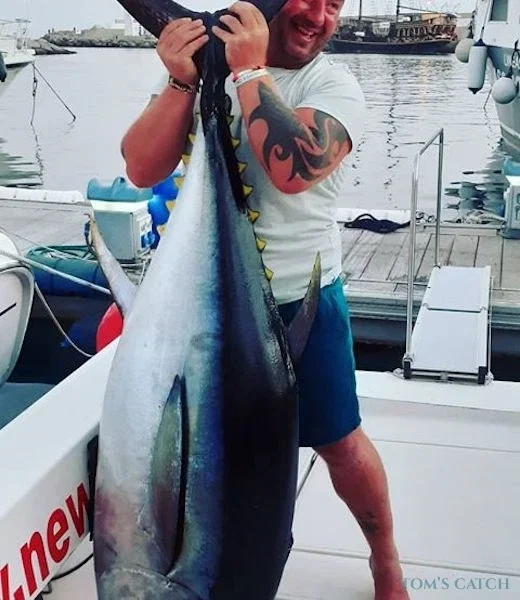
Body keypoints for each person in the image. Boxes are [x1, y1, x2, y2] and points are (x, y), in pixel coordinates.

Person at [121, 1, 409, 598]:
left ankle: (385, 560)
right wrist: (183, 80)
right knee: (204, 459)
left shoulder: (333, 83)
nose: (320, 16)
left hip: (298, 304)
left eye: (335, 5)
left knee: (341, 442)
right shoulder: (210, 73)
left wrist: (250, 72)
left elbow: (295, 169)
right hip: (196, 312)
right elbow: (141, 168)